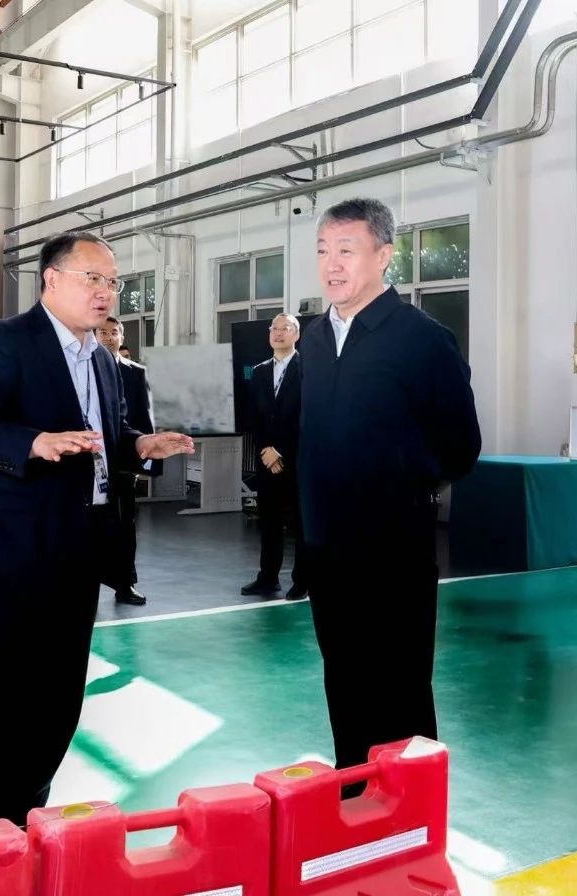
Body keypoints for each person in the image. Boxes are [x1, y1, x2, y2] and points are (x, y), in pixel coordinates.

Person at [0, 231, 193, 826]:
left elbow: (106, 438)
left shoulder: (104, 361)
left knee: (58, 705)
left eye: (113, 281)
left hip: (79, 555)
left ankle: (26, 822)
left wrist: (140, 445)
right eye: (93, 278)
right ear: (52, 280)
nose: (106, 291)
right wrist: (34, 442)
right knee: (7, 709)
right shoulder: (5, 341)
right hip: (15, 557)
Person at [298, 198, 481, 771]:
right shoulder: (314, 339)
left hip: (392, 547)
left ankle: (407, 807)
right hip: (326, 548)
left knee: (399, 686)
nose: (331, 264)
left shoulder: (422, 339)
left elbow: (460, 445)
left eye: (346, 250)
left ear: (383, 255)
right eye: (323, 251)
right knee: (343, 677)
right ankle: (354, 790)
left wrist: (395, 481)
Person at [241, 313, 307, 600]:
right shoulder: (259, 371)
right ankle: (268, 578)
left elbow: (308, 417)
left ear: (297, 335)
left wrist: (281, 450)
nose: (278, 333)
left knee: (301, 523)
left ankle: (302, 581)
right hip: (266, 461)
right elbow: (254, 418)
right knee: (269, 522)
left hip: (297, 460)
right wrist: (266, 450)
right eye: (274, 329)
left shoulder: (308, 369)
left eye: (285, 328)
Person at [96, 316, 159, 607]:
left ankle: (125, 583)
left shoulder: (136, 373)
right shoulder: (83, 368)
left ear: (122, 337)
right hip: (88, 462)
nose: (108, 337)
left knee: (124, 525)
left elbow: (145, 419)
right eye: (103, 332)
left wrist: (143, 464)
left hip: (122, 463)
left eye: (114, 332)